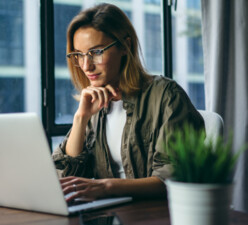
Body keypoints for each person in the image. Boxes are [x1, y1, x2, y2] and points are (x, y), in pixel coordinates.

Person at [52, 3, 204, 202]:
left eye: (96, 52)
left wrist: (106, 187)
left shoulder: (166, 96)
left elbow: (172, 179)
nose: (86, 65)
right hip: (110, 214)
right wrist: (81, 118)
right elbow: (64, 177)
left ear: (125, 46)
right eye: (79, 55)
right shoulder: (94, 104)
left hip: (156, 217)